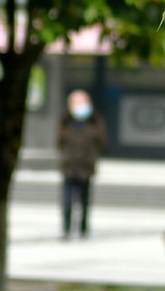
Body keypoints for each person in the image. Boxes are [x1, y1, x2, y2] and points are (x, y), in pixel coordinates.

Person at [57, 89, 106, 240]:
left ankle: (84, 228)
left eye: (82, 103)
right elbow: (59, 143)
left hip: (86, 168)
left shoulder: (94, 122)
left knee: (84, 202)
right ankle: (66, 229)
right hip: (69, 168)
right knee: (67, 202)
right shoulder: (65, 122)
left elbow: (101, 142)